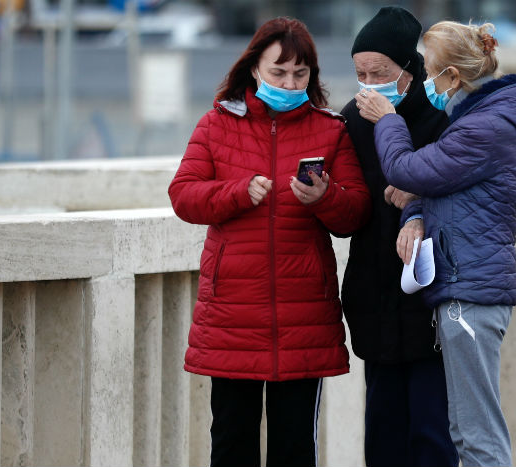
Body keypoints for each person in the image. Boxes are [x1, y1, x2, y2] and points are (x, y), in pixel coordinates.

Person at [168, 17, 371, 467]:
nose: (290, 82)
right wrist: (236, 192)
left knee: (295, 447)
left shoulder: (330, 129)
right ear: (254, 68)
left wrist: (325, 197)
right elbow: (183, 195)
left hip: (303, 314)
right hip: (232, 314)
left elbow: (356, 212)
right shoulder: (216, 124)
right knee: (231, 443)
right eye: (278, 72)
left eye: (300, 74)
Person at [355, 20, 516, 467]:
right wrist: (418, 208)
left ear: (453, 78)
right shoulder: (481, 123)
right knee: (463, 430)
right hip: (467, 291)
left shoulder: (483, 129)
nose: (425, 82)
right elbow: (444, 190)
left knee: (478, 436)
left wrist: (389, 120)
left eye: (429, 71)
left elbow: (407, 169)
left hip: (470, 293)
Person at [337, 6, 459, 467]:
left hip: (429, 298)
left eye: (380, 72)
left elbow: (463, 190)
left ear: (409, 71)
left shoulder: (440, 115)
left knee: (431, 433)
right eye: (360, 73)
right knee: (383, 433)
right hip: (374, 293)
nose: (368, 82)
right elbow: (348, 208)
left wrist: (418, 206)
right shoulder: (350, 120)